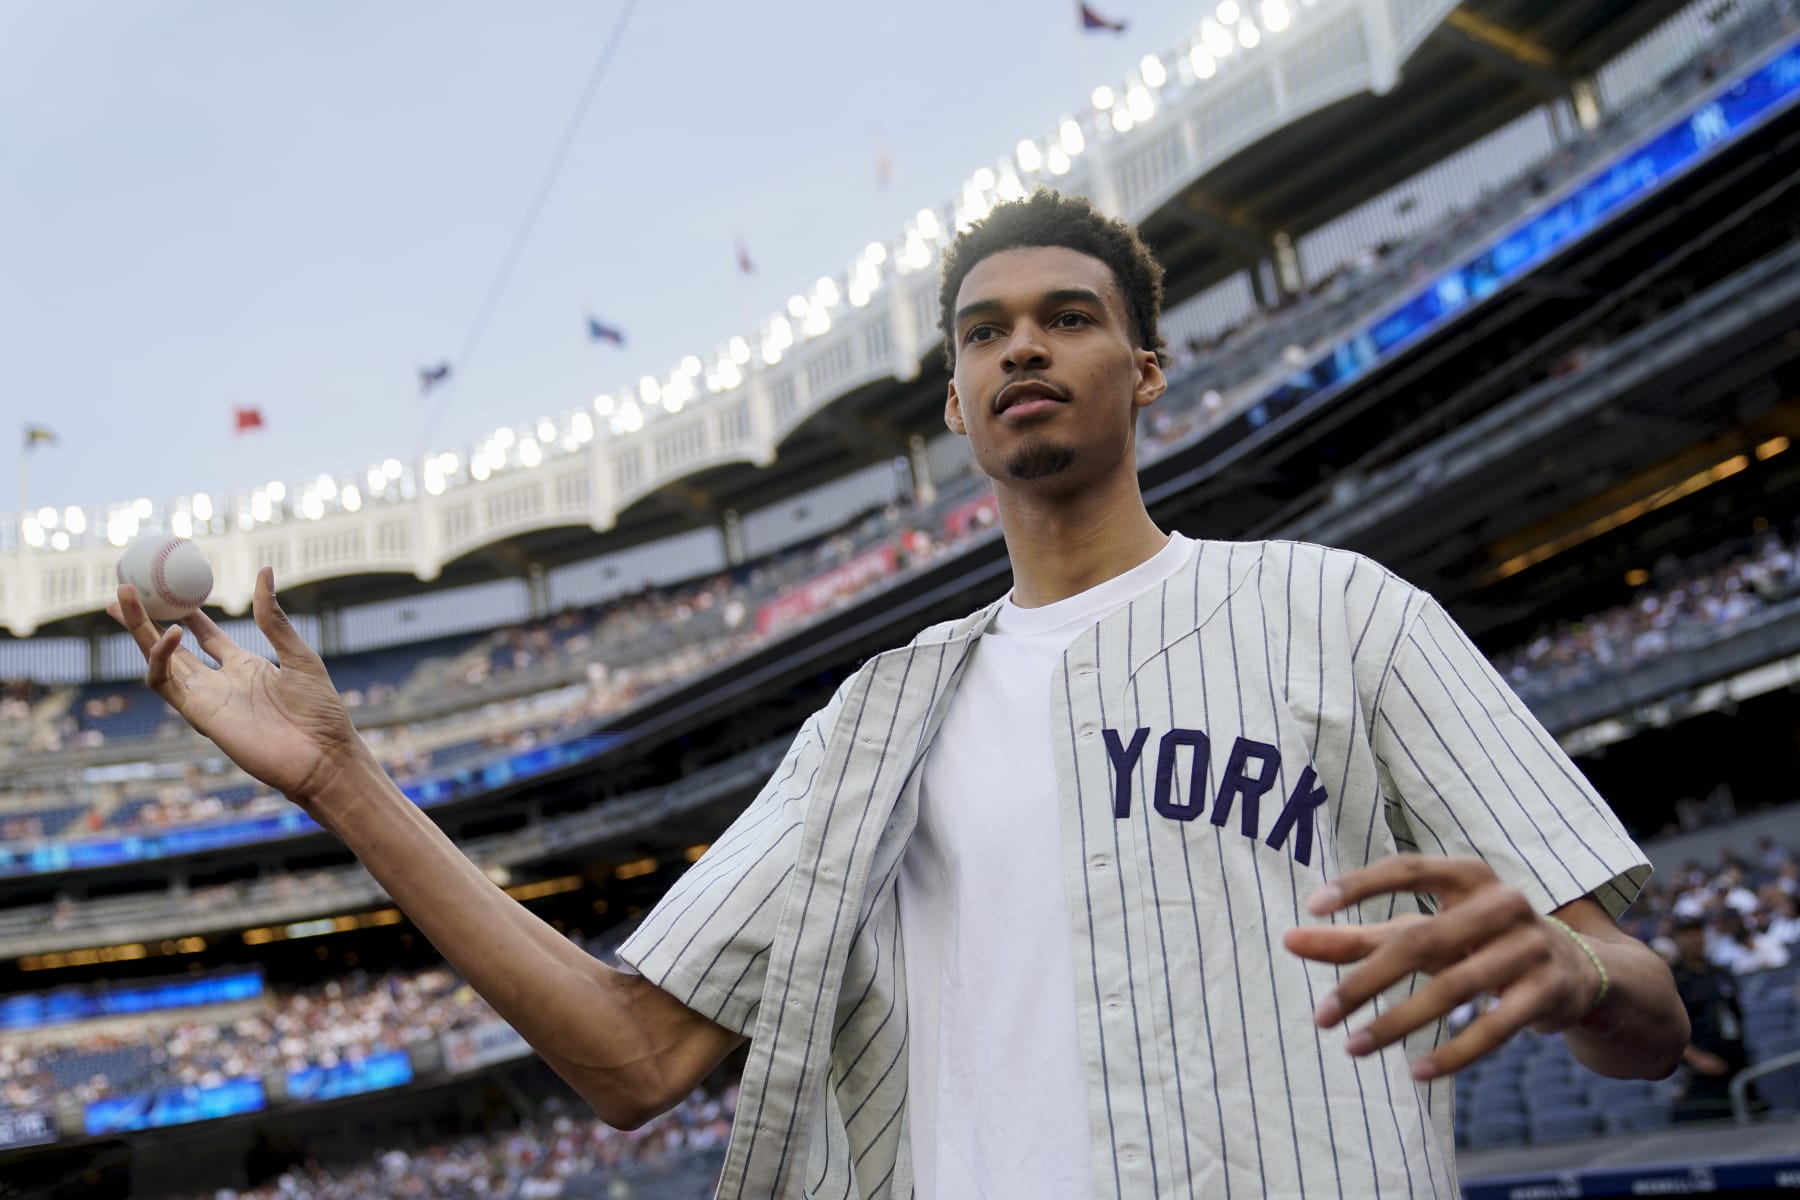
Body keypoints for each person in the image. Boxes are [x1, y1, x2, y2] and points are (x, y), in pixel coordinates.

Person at [112, 190, 1687, 1199]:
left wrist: (1580, 966)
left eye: (1071, 318)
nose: (1026, 348)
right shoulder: (873, 721)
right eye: (986, 330)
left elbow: (1650, 1015)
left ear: (1144, 371)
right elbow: (628, 1058)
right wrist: (344, 785)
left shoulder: (1336, 612)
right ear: (951, 400)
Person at [1668, 915, 1750, 1122]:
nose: (1694, 938)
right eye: (1687, 933)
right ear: (1676, 939)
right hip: (1701, 1073)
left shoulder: (1719, 973)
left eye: (1698, 931)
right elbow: (1664, 1028)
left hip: (1735, 1059)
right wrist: (1697, 1058)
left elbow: (1735, 1014)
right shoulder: (1672, 978)